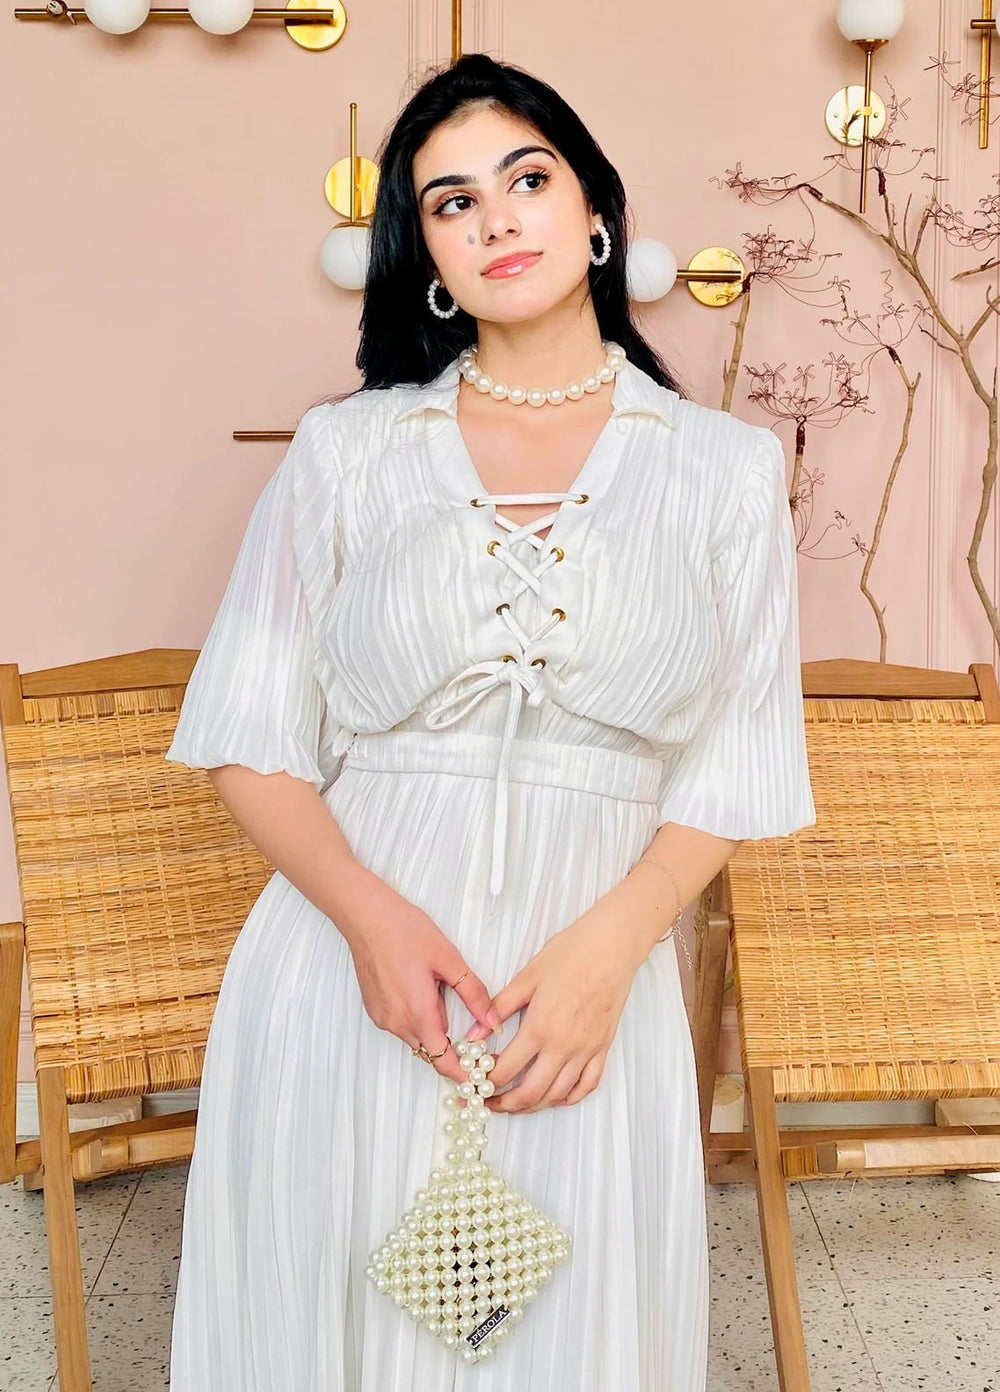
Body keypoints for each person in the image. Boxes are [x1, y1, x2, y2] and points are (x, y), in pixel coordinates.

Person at [163, 51, 816, 1392]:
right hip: (348, 982)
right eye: (451, 202)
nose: (496, 218)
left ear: (596, 214)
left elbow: (738, 759)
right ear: (428, 259)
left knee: (569, 1345)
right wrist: (372, 927)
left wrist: (612, 954)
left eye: (528, 178)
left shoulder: (726, 472)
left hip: (588, 995)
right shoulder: (346, 452)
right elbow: (247, 734)